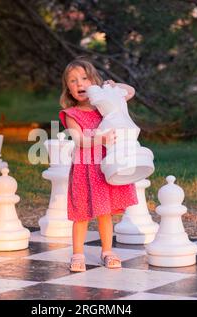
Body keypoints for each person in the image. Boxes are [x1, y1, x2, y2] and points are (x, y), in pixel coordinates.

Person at [58, 57, 138, 272]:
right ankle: (77, 254)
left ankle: (107, 251)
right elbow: (80, 141)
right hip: (85, 169)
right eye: (73, 81)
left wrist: (113, 87)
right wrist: (100, 139)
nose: (80, 84)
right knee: (81, 214)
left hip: (104, 167)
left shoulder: (104, 104)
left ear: (94, 80)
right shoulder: (71, 114)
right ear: (68, 88)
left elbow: (129, 92)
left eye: (84, 78)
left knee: (105, 212)